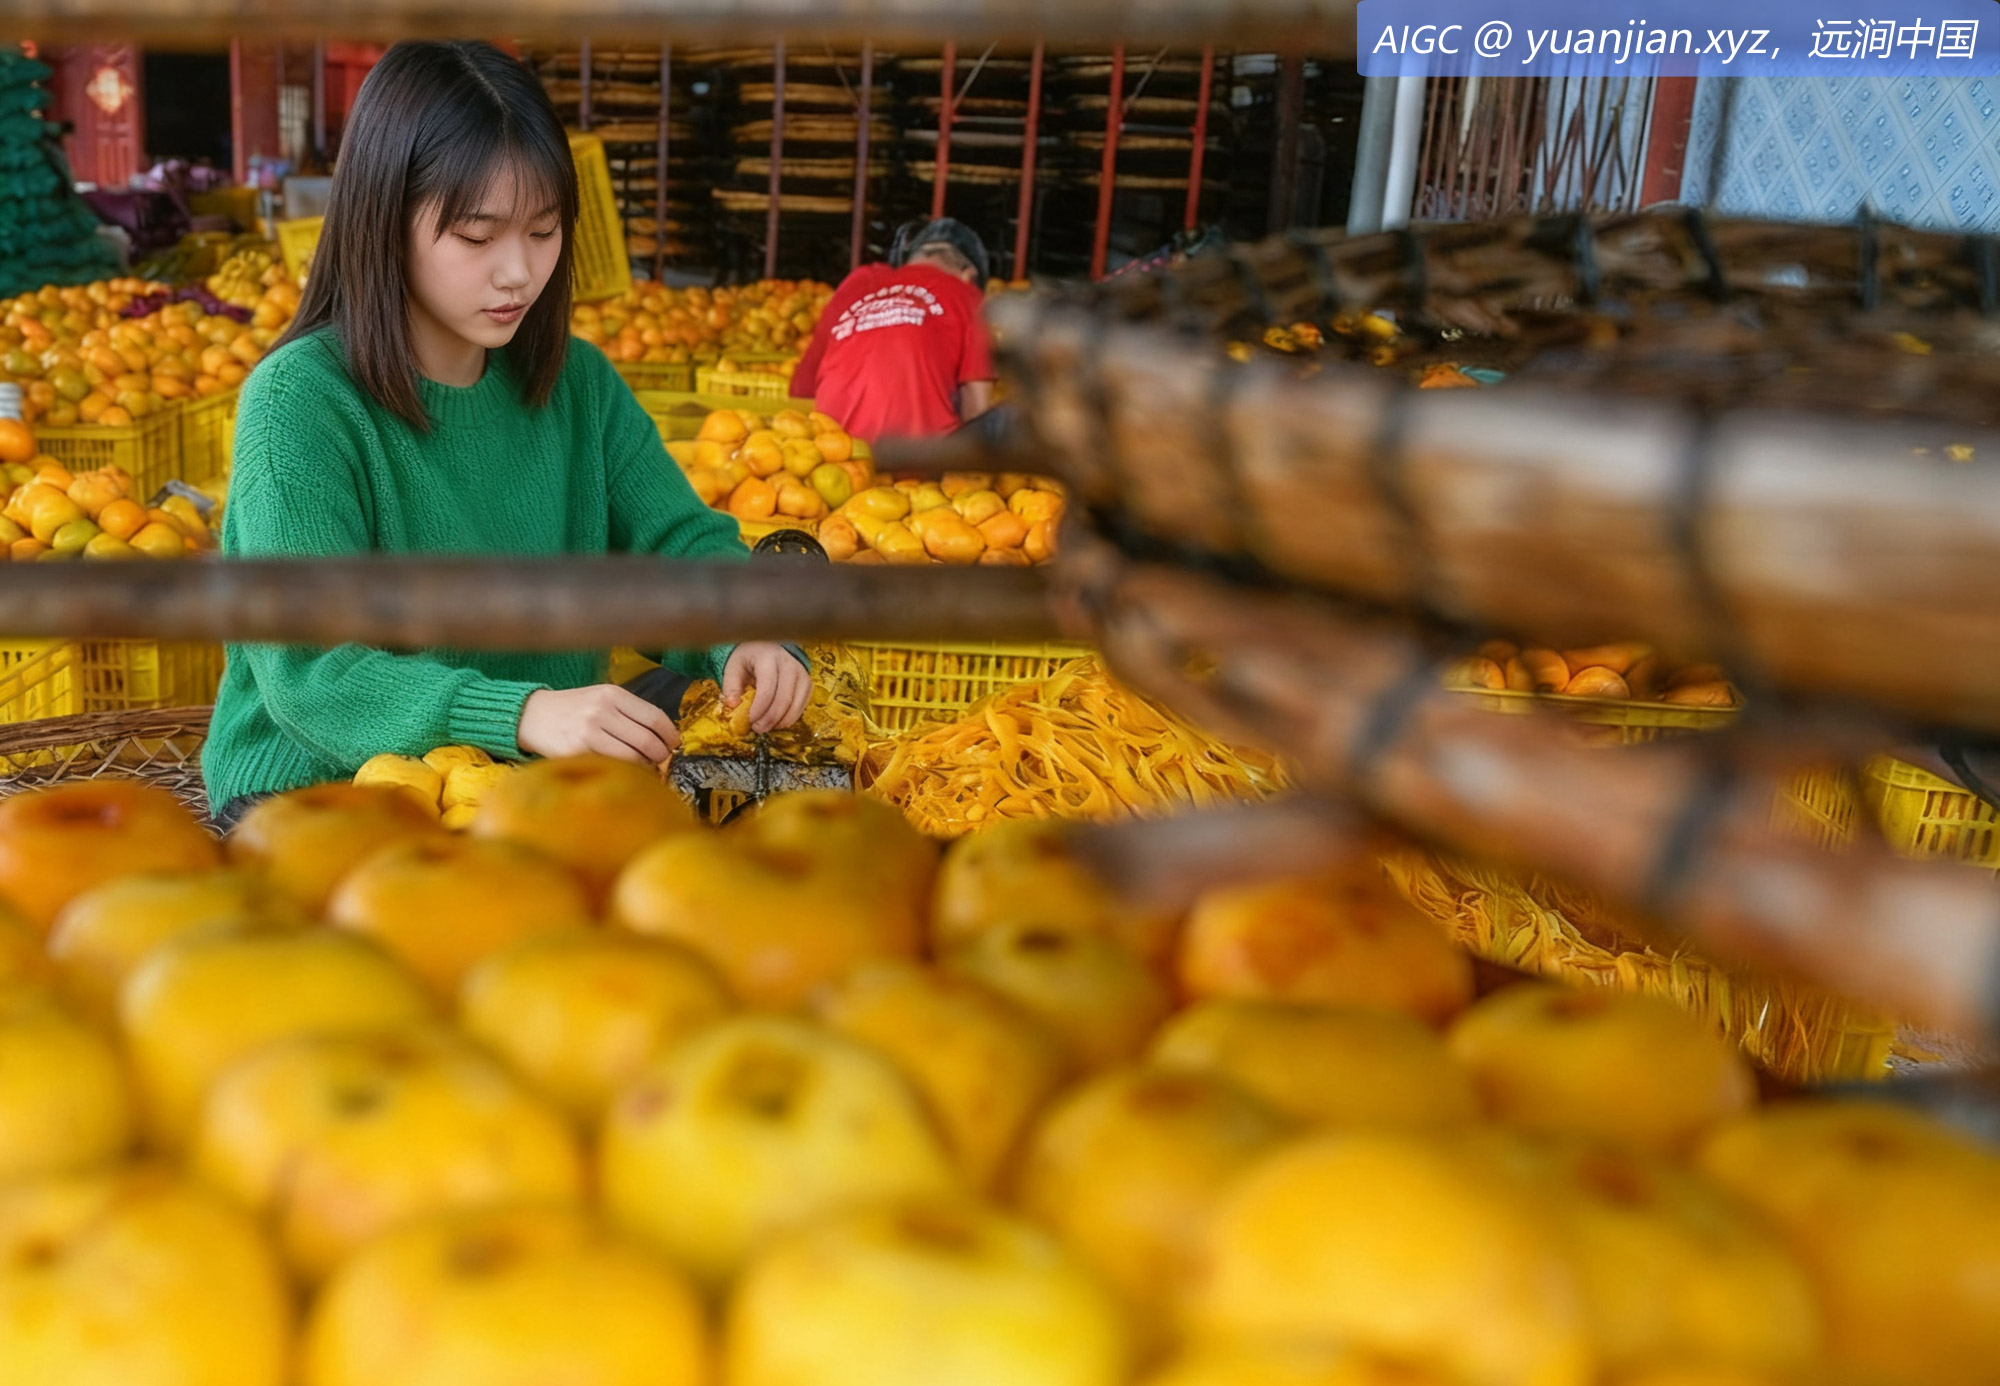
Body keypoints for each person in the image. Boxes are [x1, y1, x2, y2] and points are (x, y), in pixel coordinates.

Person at [203, 40, 811, 827]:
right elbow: (313, 672)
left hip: (520, 789)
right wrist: (524, 712)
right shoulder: (300, 403)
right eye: (477, 236)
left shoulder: (578, 385)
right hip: (319, 798)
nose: (519, 272)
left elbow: (678, 543)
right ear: (384, 221)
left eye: (544, 230)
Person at [788, 217, 997, 442]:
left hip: (835, 449)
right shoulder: (970, 297)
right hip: (917, 456)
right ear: (969, 275)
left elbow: (802, 388)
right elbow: (978, 415)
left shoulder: (859, 282)